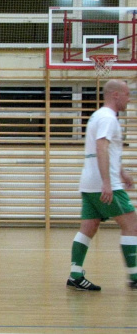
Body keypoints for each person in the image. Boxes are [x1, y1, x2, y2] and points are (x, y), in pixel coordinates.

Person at [67, 79, 137, 291]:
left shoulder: (98, 116)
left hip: (89, 183)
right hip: (105, 184)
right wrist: (108, 181)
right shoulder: (108, 118)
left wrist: (122, 172)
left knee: (89, 227)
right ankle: (135, 276)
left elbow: (108, 151)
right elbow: (101, 147)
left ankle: (75, 274)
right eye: (126, 94)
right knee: (132, 225)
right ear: (115, 94)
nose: (129, 98)